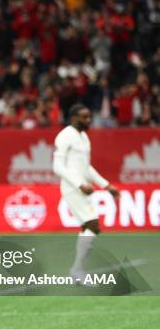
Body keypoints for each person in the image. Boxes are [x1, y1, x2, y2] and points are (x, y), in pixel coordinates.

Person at [53, 104, 120, 282]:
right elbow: (57, 166)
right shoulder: (65, 136)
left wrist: (106, 185)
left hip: (84, 189)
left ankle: (77, 271)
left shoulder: (83, 137)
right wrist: (78, 184)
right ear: (74, 117)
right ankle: (77, 270)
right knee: (93, 225)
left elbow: (86, 167)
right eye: (84, 117)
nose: (88, 120)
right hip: (73, 189)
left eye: (89, 116)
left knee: (88, 228)